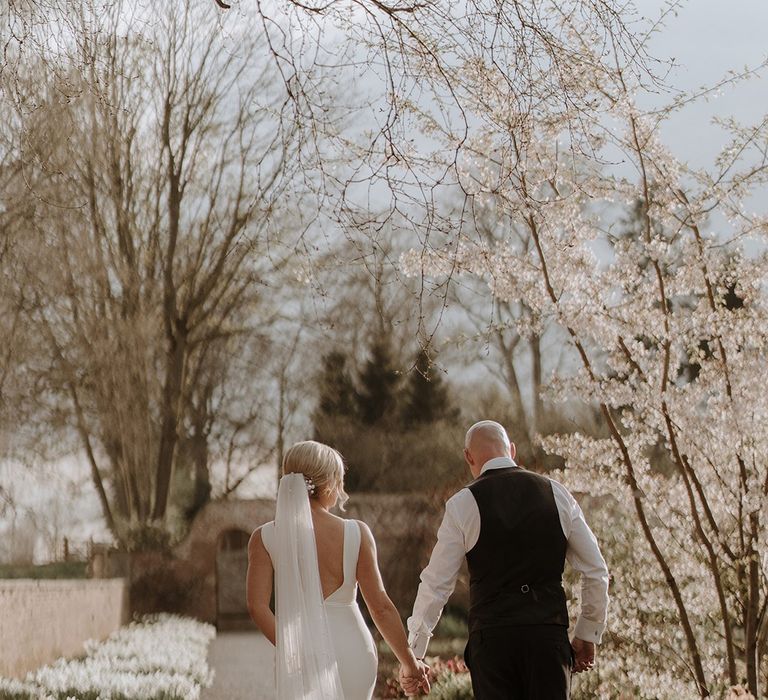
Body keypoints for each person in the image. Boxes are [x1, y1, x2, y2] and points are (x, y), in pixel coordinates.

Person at [403, 420, 610, 699]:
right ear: (511, 450)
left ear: (468, 456)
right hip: (547, 638)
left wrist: (415, 652)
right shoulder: (557, 495)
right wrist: (587, 632)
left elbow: (436, 584)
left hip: (493, 642)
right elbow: (596, 570)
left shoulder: (462, 504)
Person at [246, 440, 430, 699]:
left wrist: (293, 652)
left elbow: (257, 607)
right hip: (353, 649)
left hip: (300, 653)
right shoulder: (356, 533)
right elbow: (380, 607)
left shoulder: (263, 537)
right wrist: (410, 664)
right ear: (328, 483)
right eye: (339, 481)